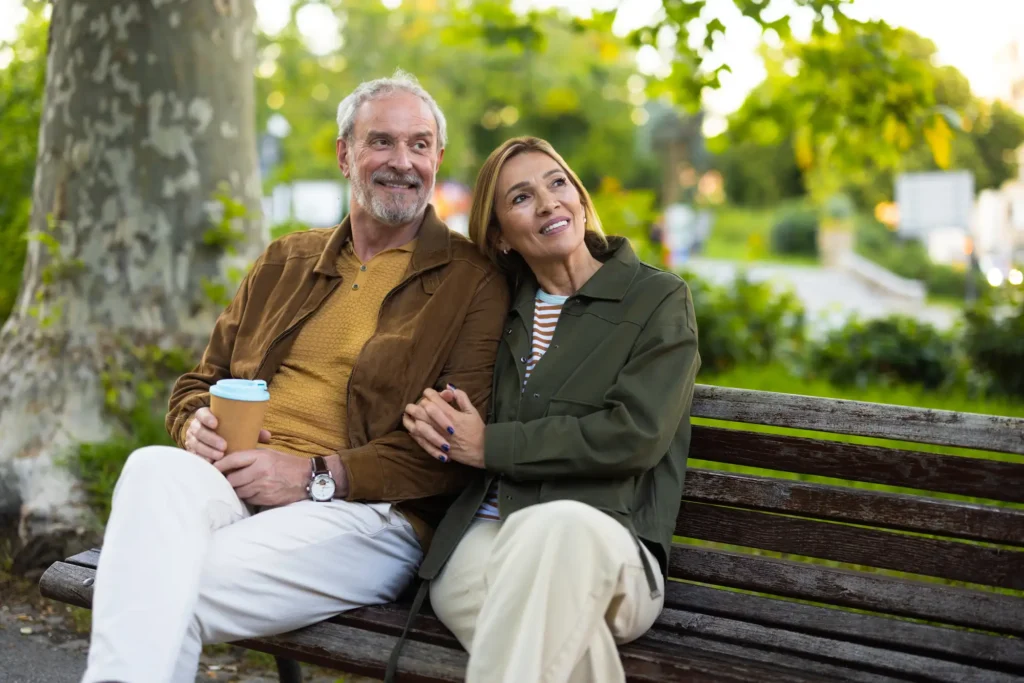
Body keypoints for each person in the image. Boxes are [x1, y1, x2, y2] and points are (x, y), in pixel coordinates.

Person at [82, 71, 509, 683]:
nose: (401, 162)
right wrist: (194, 422)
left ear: (438, 157)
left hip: (367, 514)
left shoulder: (473, 283)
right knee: (151, 467)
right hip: (231, 483)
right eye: (380, 142)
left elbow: (445, 453)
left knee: (160, 586)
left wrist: (314, 475)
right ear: (345, 154)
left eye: (419, 144)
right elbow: (199, 381)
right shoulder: (286, 260)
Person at [398, 136, 701, 683]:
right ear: (500, 237)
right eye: (520, 198)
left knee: (552, 529)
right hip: (485, 541)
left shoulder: (656, 299)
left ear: (582, 200)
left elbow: (635, 434)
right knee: (546, 633)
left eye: (557, 183)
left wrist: (488, 444)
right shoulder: (497, 308)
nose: (548, 203)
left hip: (607, 543)